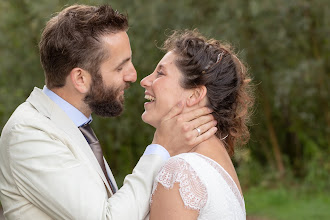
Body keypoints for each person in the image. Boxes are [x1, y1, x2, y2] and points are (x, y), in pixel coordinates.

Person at [0, 5, 217, 220]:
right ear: (80, 79)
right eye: (120, 67)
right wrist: (161, 147)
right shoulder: (29, 134)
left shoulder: (77, 129)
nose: (133, 76)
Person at [140, 29, 254, 219]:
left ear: (194, 95)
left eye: (160, 73)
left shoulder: (181, 170)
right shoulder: (221, 166)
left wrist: (158, 147)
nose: (145, 81)